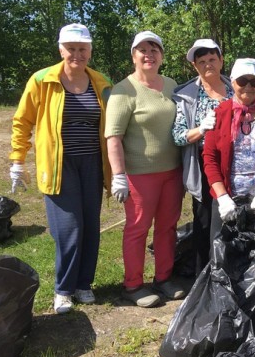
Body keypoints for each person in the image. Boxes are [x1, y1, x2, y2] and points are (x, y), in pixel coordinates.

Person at [9, 23, 112, 314]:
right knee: (69, 228)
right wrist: (17, 160)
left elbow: (112, 125)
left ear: (90, 51)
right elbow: (22, 122)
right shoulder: (42, 80)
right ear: (60, 49)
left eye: (82, 49)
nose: (76, 54)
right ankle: (64, 289)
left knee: (90, 225)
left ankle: (83, 285)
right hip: (58, 163)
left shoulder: (101, 82)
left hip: (92, 162)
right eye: (71, 49)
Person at [105, 31, 185, 308]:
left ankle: (163, 278)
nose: (149, 54)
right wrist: (118, 176)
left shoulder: (171, 85)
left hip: (172, 171)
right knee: (138, 229)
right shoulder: (123, 90)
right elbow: (113, 137)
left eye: (155, 49)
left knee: (167, 227)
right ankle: (133, 285)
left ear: (162, 56)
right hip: (139, 175)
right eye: (143, 50)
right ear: (133, 55)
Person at [203, 58, 255, 238]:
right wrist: (222, 197)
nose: (248, 87)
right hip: (227, 199)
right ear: (232, 81)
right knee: (224, 255)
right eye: (242, 81)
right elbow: (210, 159)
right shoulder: (219, 114)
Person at [172, 38, 233, 277]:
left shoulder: (235, 88)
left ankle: (230, 269)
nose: (208, 65)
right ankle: (203, 274)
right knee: (205, 218)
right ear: (195, 67)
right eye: (202, 61)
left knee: (232, 216)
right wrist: (200, 129)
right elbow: (177, 136)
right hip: (204, 162)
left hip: (236, 162)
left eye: (212, 59)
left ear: (221, 60)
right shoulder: (185, 95)